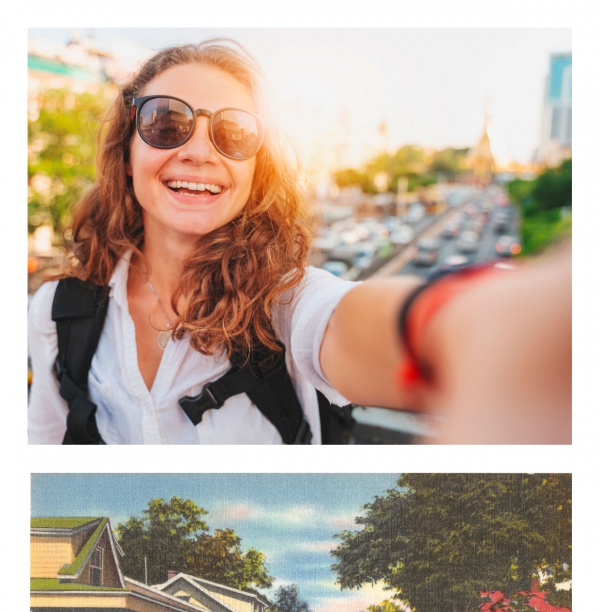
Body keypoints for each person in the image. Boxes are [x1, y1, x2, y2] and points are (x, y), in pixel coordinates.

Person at [28, 39, 571, 446]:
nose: (199, 152)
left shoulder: (281, 303)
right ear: (127, 149)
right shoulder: (57, 313)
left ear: (255, 169)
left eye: (234, 133)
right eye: (166, 122)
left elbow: (348, 323)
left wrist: (476, 327)